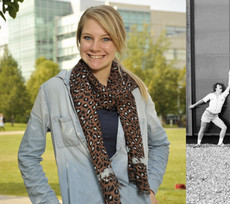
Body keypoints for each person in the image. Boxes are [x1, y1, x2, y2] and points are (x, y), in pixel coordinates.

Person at [17, 5, 169, 204]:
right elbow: (28, 156)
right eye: (88, 37)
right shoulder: (53, 91)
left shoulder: (136, 91)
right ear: (79, 40)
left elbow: (160, 144)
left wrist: (150, 188)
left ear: (118, 41)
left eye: (105, 38)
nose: (95, 47)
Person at [189, 70, 230, 147]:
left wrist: (229, 76)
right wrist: (193, 105)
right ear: (215, 88)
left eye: (221, 86)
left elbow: (229, 86)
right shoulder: (211, 95)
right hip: (207, 114)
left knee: (224, 127)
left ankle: (220, 143)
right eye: (219, 86)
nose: (220, 87)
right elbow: (202, 100)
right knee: (202, 129)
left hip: (215, 116)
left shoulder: (223, 95)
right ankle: (198, 143)